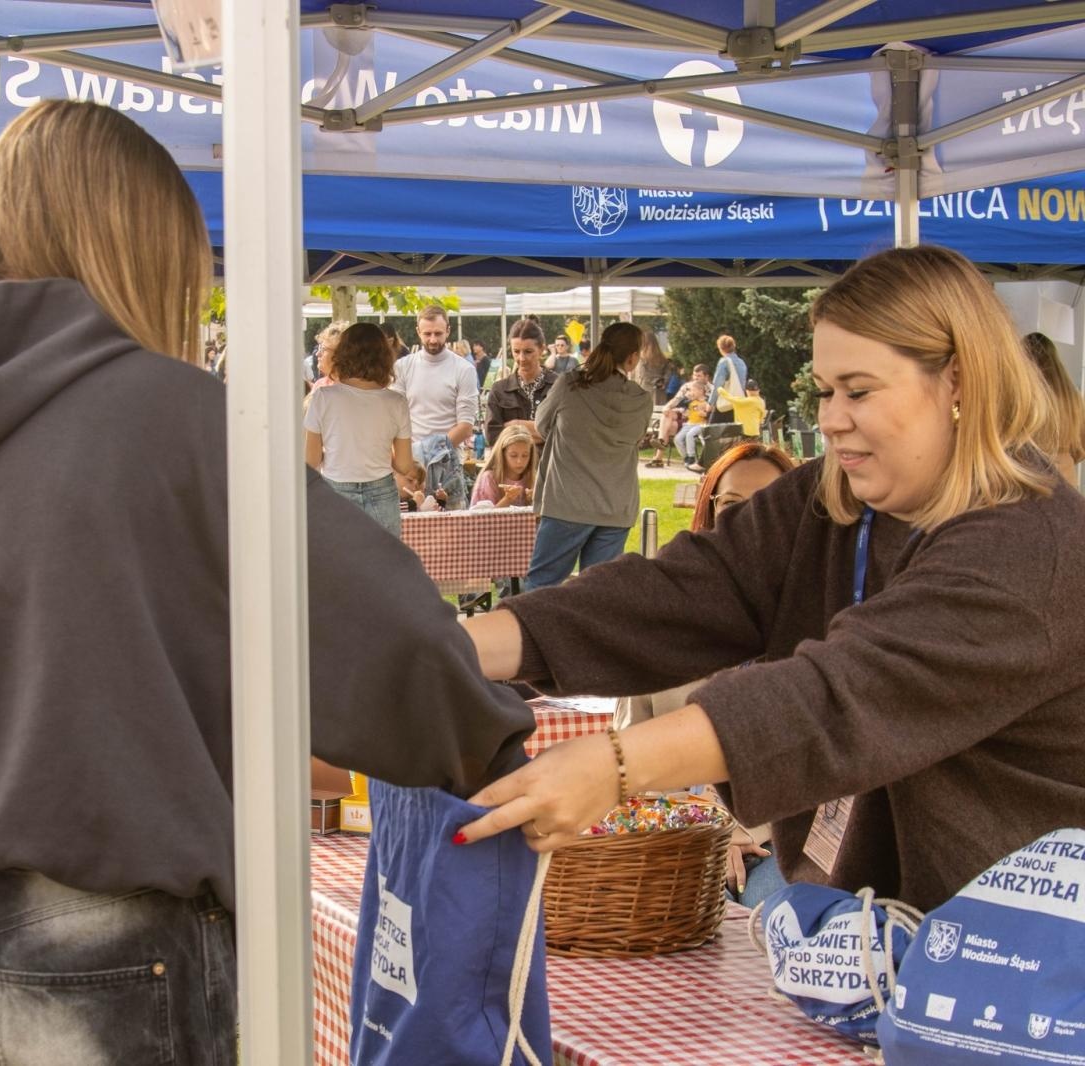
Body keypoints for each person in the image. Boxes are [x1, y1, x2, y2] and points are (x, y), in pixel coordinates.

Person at [0, 100, 536, 1066]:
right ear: (143, 251)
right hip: (116, 947)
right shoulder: (174, 415)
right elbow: (386, 632)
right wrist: (490, 736)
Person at [453, 245, 1085, 921]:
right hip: (867, 954)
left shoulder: (1033, 544)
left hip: (1028, 971)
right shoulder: (828, 498)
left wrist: (614, 766)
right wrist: (456, 648)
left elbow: (835, 696)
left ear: (957, 381)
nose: (832, 418)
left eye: (859, 391)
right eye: (825, 391)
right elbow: (678, 594)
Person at [619, 443, 800, 904]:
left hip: (780, 844)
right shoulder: (661, 623)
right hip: (675, 842)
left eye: (771, 503)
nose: (750, 520)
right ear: (708, 512)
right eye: (732, 504)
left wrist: (743, 830)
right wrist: (707, 830)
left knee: (784, 920)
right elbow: (628, 769)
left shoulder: (823, 620)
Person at [523, 322, 652, 590]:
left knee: (541, 586)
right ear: (632, 358)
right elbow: (636, 437)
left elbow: (542, 425)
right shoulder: (641, 399)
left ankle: (536, 633)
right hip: (616, 505)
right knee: (597, 594)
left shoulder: (570, 384)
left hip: (568, 502)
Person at [305, 322, 419, 537]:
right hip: (382, 491)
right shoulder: (396, 402)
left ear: (343, 355)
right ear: (384, 357)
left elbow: (310, 460)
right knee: (383, 564)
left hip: (336, 489)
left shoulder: (323, 397)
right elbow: (404, 464)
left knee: (340, 565)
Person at [393, 305, 478, 510]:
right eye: (427, 334)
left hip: (447, 464)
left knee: (452, 534)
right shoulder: (402, 366)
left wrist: (430, 453)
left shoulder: (464, 369)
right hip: (409, 466)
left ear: (448, 330)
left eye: (438, 333)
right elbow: (393, 417)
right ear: (418, 332)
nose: (433, 340)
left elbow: (466, 425)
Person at [1022, 331, 1085, 490]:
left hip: (1030, 477)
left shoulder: (1022, 394)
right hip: (1067, 480)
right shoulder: (1072, 396)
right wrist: (1064, 457)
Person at [483, 317, 557, 446]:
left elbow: (565, 434)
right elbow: (492, 436)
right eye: (516, 352)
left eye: (528, 351)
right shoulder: (499, 390)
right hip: (512, 466)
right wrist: (542, 432)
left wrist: (514, 426)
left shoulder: (558, 386)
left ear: (541, 349)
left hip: (548, 465)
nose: (521, 358)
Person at [471, 423, 537, 508]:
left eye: (525, 455)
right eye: (513, 455)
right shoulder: (489, 478)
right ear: (502, 454)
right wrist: (507, 499)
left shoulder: (533, 478)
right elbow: (484, 517)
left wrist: (535, 501)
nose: (519, 461)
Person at [709, 333, 749, 425]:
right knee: (734, 433)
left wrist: (711, 403)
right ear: (733, 346)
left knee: (711, 433)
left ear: (720, 348)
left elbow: (718, 385)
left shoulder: (724, 362)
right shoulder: (741, 362)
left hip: (725, 403)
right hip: (739, 402)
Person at [672, 381, 712, 472]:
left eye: (693, 390)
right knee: (677, 439)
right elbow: (684, 409)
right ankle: (686, 458)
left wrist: (705, 414)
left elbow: (711, 413)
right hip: (689, 423)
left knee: (690, 435)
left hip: (700, 424)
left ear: (701, 391)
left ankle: (691, 456)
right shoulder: (690, 401)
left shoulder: (707, 401)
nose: (691, 392)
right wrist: (680, 410)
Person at [723, 377, 767, 442]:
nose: (753, 392)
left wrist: (720, 390)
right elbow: (762, 416)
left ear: (747, 391)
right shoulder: (761, 401)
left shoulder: (750, 401)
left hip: (745, 432)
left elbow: (733, 400)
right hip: (755, 431)